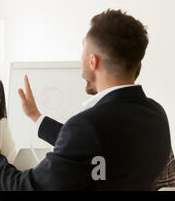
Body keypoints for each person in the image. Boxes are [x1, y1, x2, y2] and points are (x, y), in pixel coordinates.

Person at [0, 9, 171, 190]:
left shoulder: (88, 125)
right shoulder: (156, 115)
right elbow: (93, 145)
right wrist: (36, 117)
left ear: (93, 61)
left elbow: (22, 188)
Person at [22, 58, 175, 190]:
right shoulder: (156, 113)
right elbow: (83, 143)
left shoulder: (91, 122)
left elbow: (31, 185)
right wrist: (36, 116)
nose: (83, 72)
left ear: (96, 62)